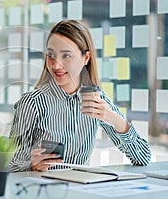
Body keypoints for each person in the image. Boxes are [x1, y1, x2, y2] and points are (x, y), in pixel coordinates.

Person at [9, 20, 151, 172]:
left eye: (66, 56)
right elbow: (7, 166)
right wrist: (31, 165)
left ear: (86, 58)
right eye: (51, 55)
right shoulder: (32, 103)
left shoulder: (96, 99)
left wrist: (114, 119)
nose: (56, 65)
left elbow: (142, 158)